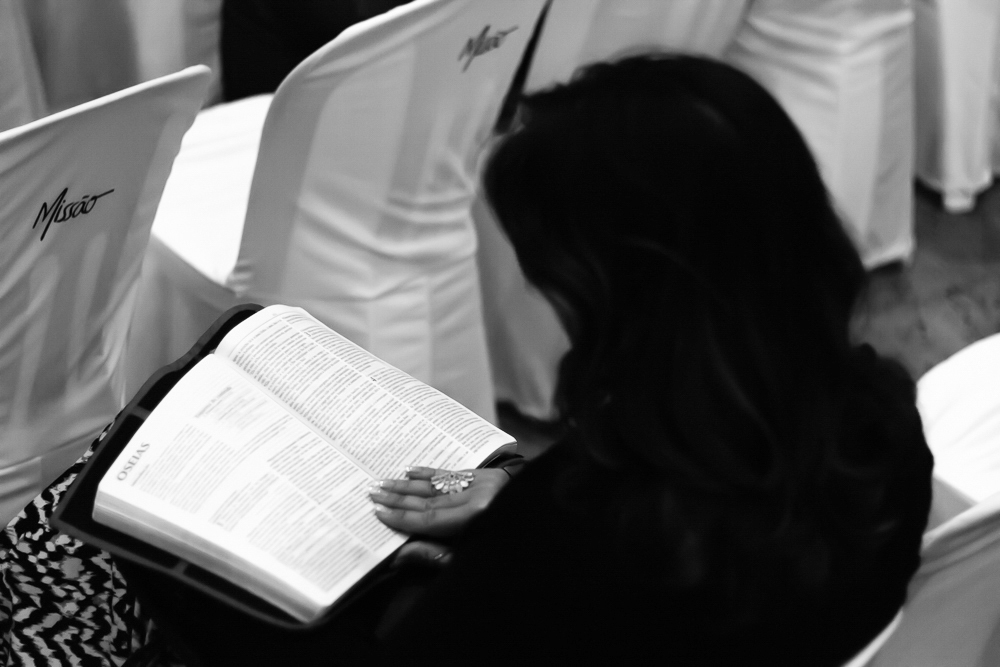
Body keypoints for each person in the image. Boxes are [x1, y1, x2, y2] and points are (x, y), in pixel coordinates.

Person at [0, 54, 932, 666]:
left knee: (67, 537)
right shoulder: (879, 432)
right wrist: (519, 491)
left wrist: (173, 561)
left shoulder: (586, 542)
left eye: (549, 276)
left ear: (628, 299)